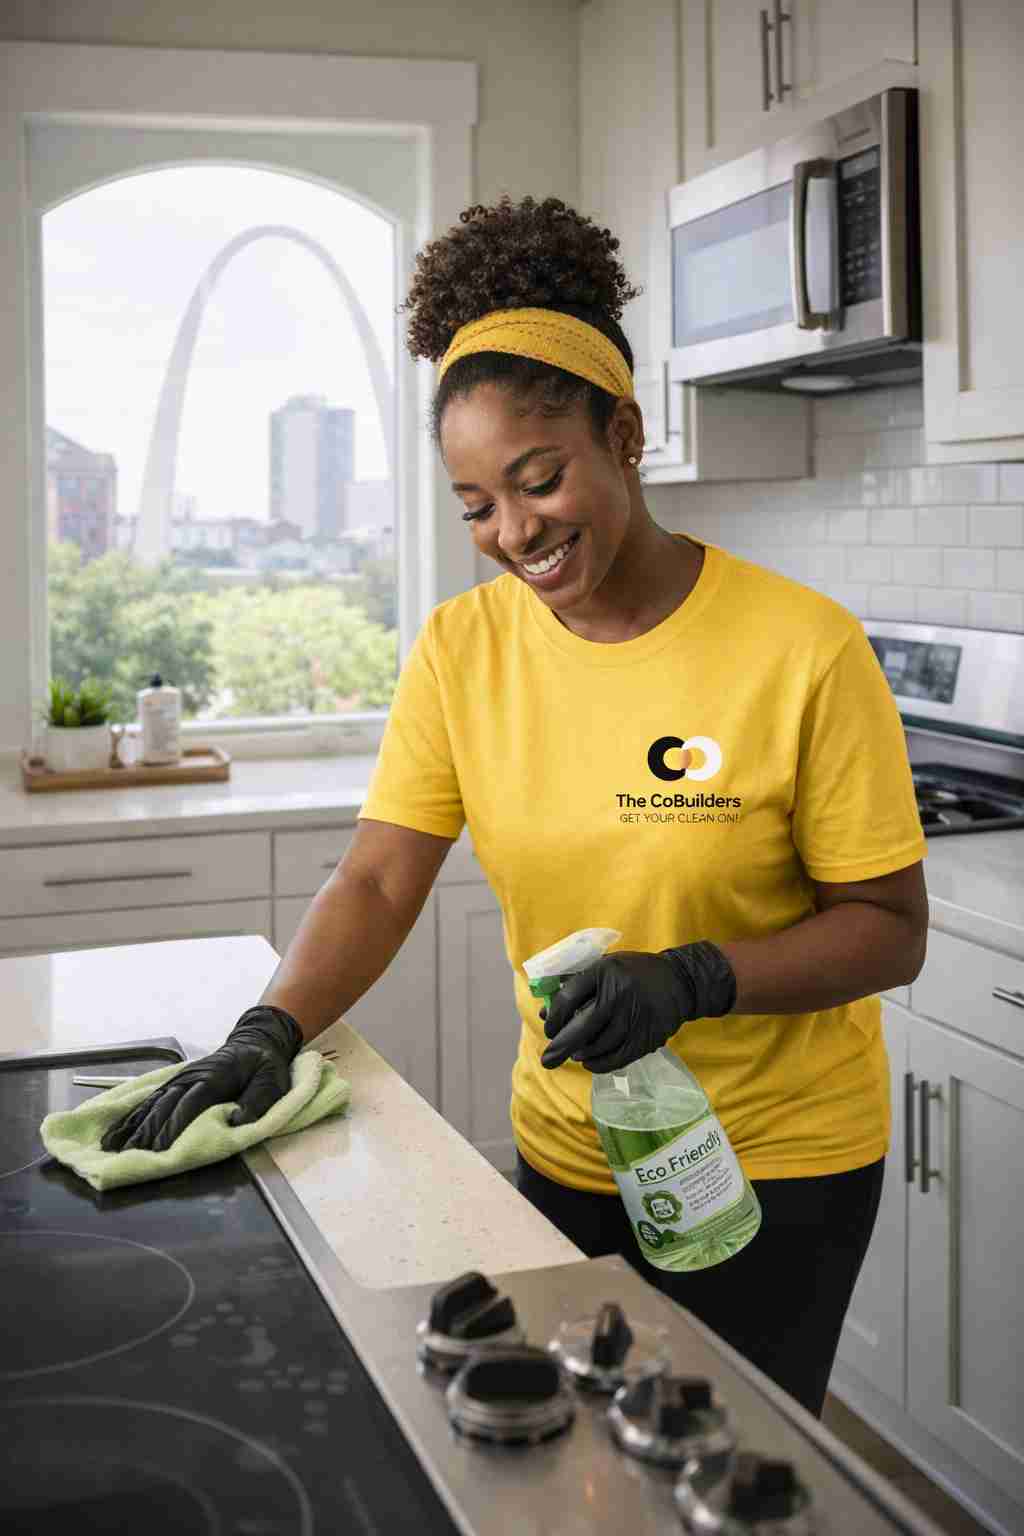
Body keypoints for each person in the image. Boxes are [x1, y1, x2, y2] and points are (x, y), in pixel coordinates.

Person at [103, 194, 929, 1418]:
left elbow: (887, 928)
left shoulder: (801, 646)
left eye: (538, 482)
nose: (515, 533)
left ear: (626, 437)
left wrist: (693, 978)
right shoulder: (462, 649)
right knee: (574, 1460)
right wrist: (266, 1030)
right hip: (566, 1145)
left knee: (732, 1460)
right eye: (477, 505)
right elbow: (381, 876)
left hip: (774, 1163)